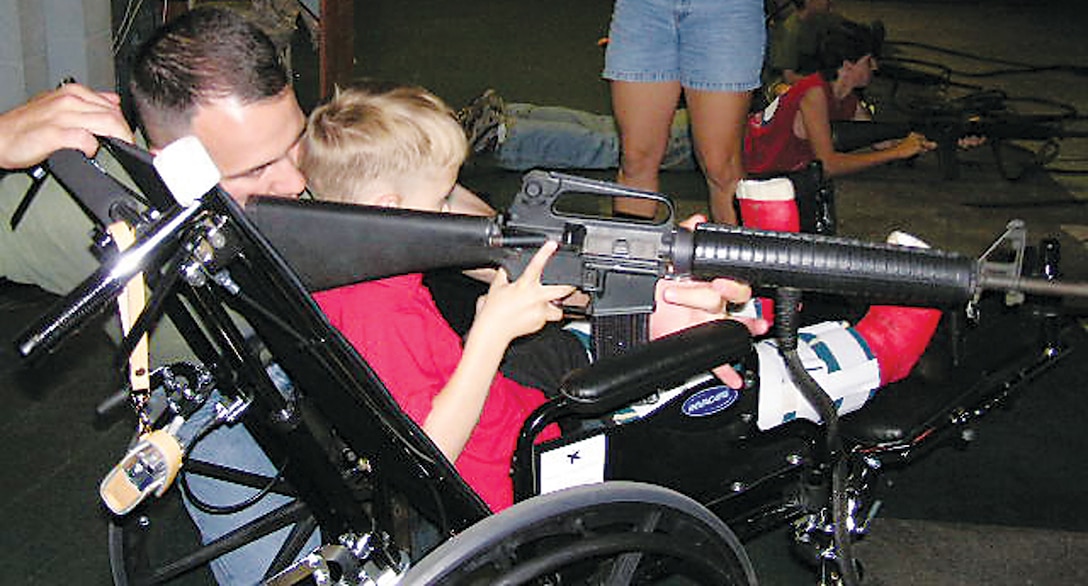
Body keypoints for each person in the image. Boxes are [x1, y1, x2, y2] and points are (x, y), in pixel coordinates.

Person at [602, 0, 765, 224]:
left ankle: (731, 259)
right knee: (636, 159)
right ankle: (629, 256)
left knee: (721, 167)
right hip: (644, 9)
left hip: (727, 11)